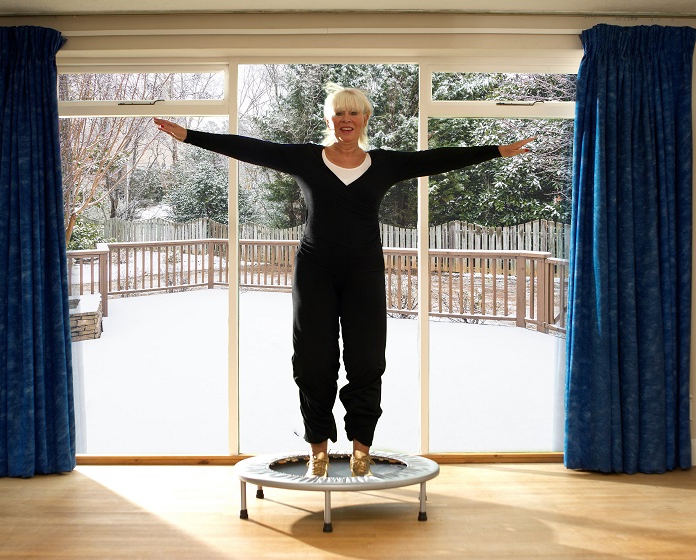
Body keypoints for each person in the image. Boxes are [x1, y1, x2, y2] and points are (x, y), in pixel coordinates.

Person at [155, 83, 533, 478]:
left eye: (354, 113)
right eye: (339, 114)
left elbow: (434, 159)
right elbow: (250, 147)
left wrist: (496, 151)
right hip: (314, 271)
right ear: (330, 120)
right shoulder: (306, 159)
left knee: (367, 360)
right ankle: (317, 449)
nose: (347, 120)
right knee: (313, 362)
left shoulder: (384, 163)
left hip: (364, 272)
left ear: (365, 119)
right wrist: (189, 135)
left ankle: (360, 450)